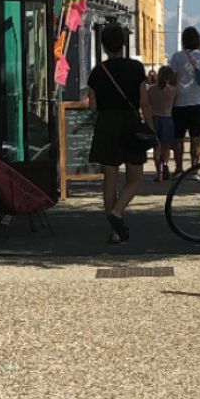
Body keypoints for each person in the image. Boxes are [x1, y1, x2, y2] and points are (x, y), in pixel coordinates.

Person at [86, 25, 153, 244]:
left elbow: (93, 106)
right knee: (135, 177)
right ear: (123, 44)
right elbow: (144, 101)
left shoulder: (98, 71)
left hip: (107, 124)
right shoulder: (136, 68)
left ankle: (114, 231)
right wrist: (150, 127)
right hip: (131, 124)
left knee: (110, 179)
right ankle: (118, 211)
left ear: (104, 46)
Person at [169, 27, 200, 173]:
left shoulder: (177, 57)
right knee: (196, 138)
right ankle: (194, 168)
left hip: (179, 103)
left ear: (183, 40)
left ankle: (179, 168)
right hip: (198, 102)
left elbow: (172, 80)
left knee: (178, 138)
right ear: (198, 40)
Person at [148, 66, 178, 182]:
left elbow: (148, 104)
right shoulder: (173, 90)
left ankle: (158, 174)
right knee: (166, 147)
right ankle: (165, 164)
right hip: (168, 119)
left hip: (155, 118)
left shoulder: (151, 90)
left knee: (156, 147)